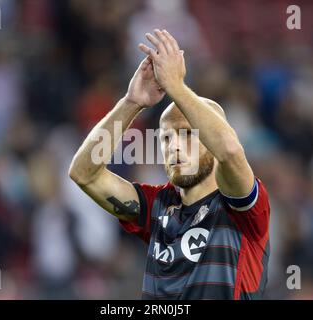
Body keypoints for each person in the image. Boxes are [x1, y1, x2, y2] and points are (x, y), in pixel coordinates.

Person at [69, 29, 270, 300]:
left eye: (187, 134)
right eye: (166, 137)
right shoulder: (157, 206)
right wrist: (131, 103)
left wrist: (175, 86)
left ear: (211, 138)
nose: (173, 145)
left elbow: (231, 151)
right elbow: (84, 174)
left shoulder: (240, 207)